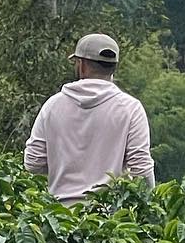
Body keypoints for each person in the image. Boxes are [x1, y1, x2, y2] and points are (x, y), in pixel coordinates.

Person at [24, 33, 154, 203]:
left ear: (82, 65)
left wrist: (61, 165)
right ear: (114, 68)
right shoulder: (131, 108)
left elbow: (33, 163)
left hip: (58, 216)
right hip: (109, 219)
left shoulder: (53, 105)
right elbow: (141, 169)